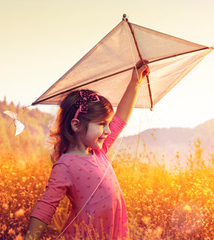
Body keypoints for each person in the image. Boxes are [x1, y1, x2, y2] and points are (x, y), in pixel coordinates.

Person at [26, 62, 150, 239]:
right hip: (87, 234)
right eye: (101, 124)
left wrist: (134, 84)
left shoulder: (99, 150)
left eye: (107, 124)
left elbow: (121, 117)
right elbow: (46, 205)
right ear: (76, 125)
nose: (108, 130)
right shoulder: (65, 165)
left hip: (111, 231)